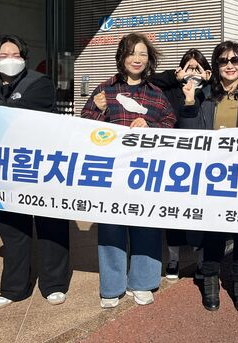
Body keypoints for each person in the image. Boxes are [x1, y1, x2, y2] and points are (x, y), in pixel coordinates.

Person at [0, 34, 70, 309]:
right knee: (12, 231)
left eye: (16, 55)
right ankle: (13, 289)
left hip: (43, 170)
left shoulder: (39, 83)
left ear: (24, 58)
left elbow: (22, 114)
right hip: (8, 176)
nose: (11, 60)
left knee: (51, 226)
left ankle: (54, 285)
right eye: (4, 56)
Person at [81, 32, 176, 309]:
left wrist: (151, 126)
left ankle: (143, 283)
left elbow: (171, 123)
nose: (137, 59)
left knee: (146, 225)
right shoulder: (105, 89)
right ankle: (112, 286)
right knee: (111, 228)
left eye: (143, 54)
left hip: (145, 172)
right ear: (121, 57)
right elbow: (84, 127)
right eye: (132, 53)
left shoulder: (156, 94)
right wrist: (97, 110)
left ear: (149, 60)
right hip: (111, 172)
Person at [179, 40, 238, 312]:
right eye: (223, 61)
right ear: (216, 65)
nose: (229, 65)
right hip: (213, 173)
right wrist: (189, 100)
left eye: (235, 60)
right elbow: (189, 133)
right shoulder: (204, 93)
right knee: (213, 230)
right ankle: (210, 280)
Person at [151, 48, 212, 280]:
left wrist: (209, 80)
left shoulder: (210, 90)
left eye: (197, 68)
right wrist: (174, 77)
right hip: (175, 160)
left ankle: (201, 260)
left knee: (200, 213)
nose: (192, 72)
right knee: (173, 212)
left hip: (203, 161)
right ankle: (173, 259)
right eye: (188, 67)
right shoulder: (171, 89)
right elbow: (149, 80)